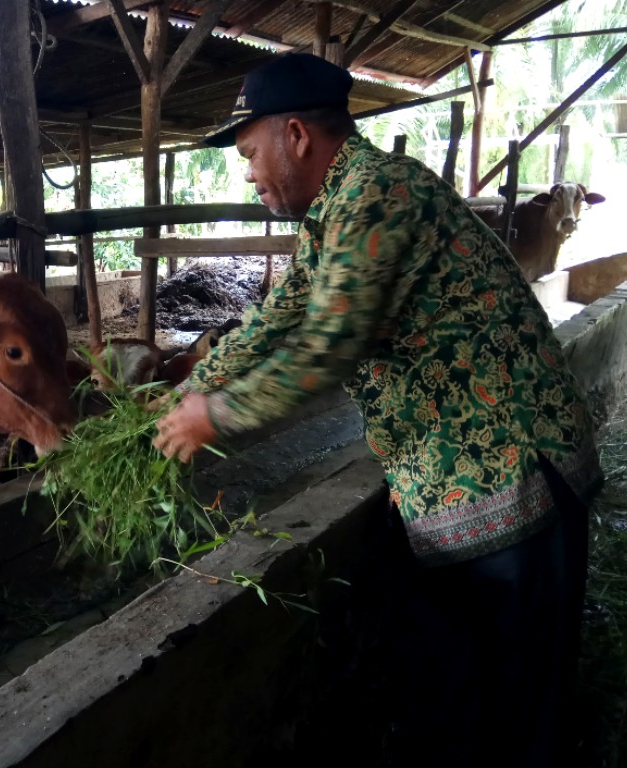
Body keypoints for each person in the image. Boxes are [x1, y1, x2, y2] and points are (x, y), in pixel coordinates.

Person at [152, 52, 603, 768]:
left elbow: (327, 348)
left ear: (295, 135)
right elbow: (278, 321)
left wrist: (218, 416)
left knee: (516, 705)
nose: (247, 172)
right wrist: (195, 383)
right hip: (458, 474)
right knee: (467, 690)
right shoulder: (334, 216)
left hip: (516, 474)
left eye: (248, 152)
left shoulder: (376, 196)